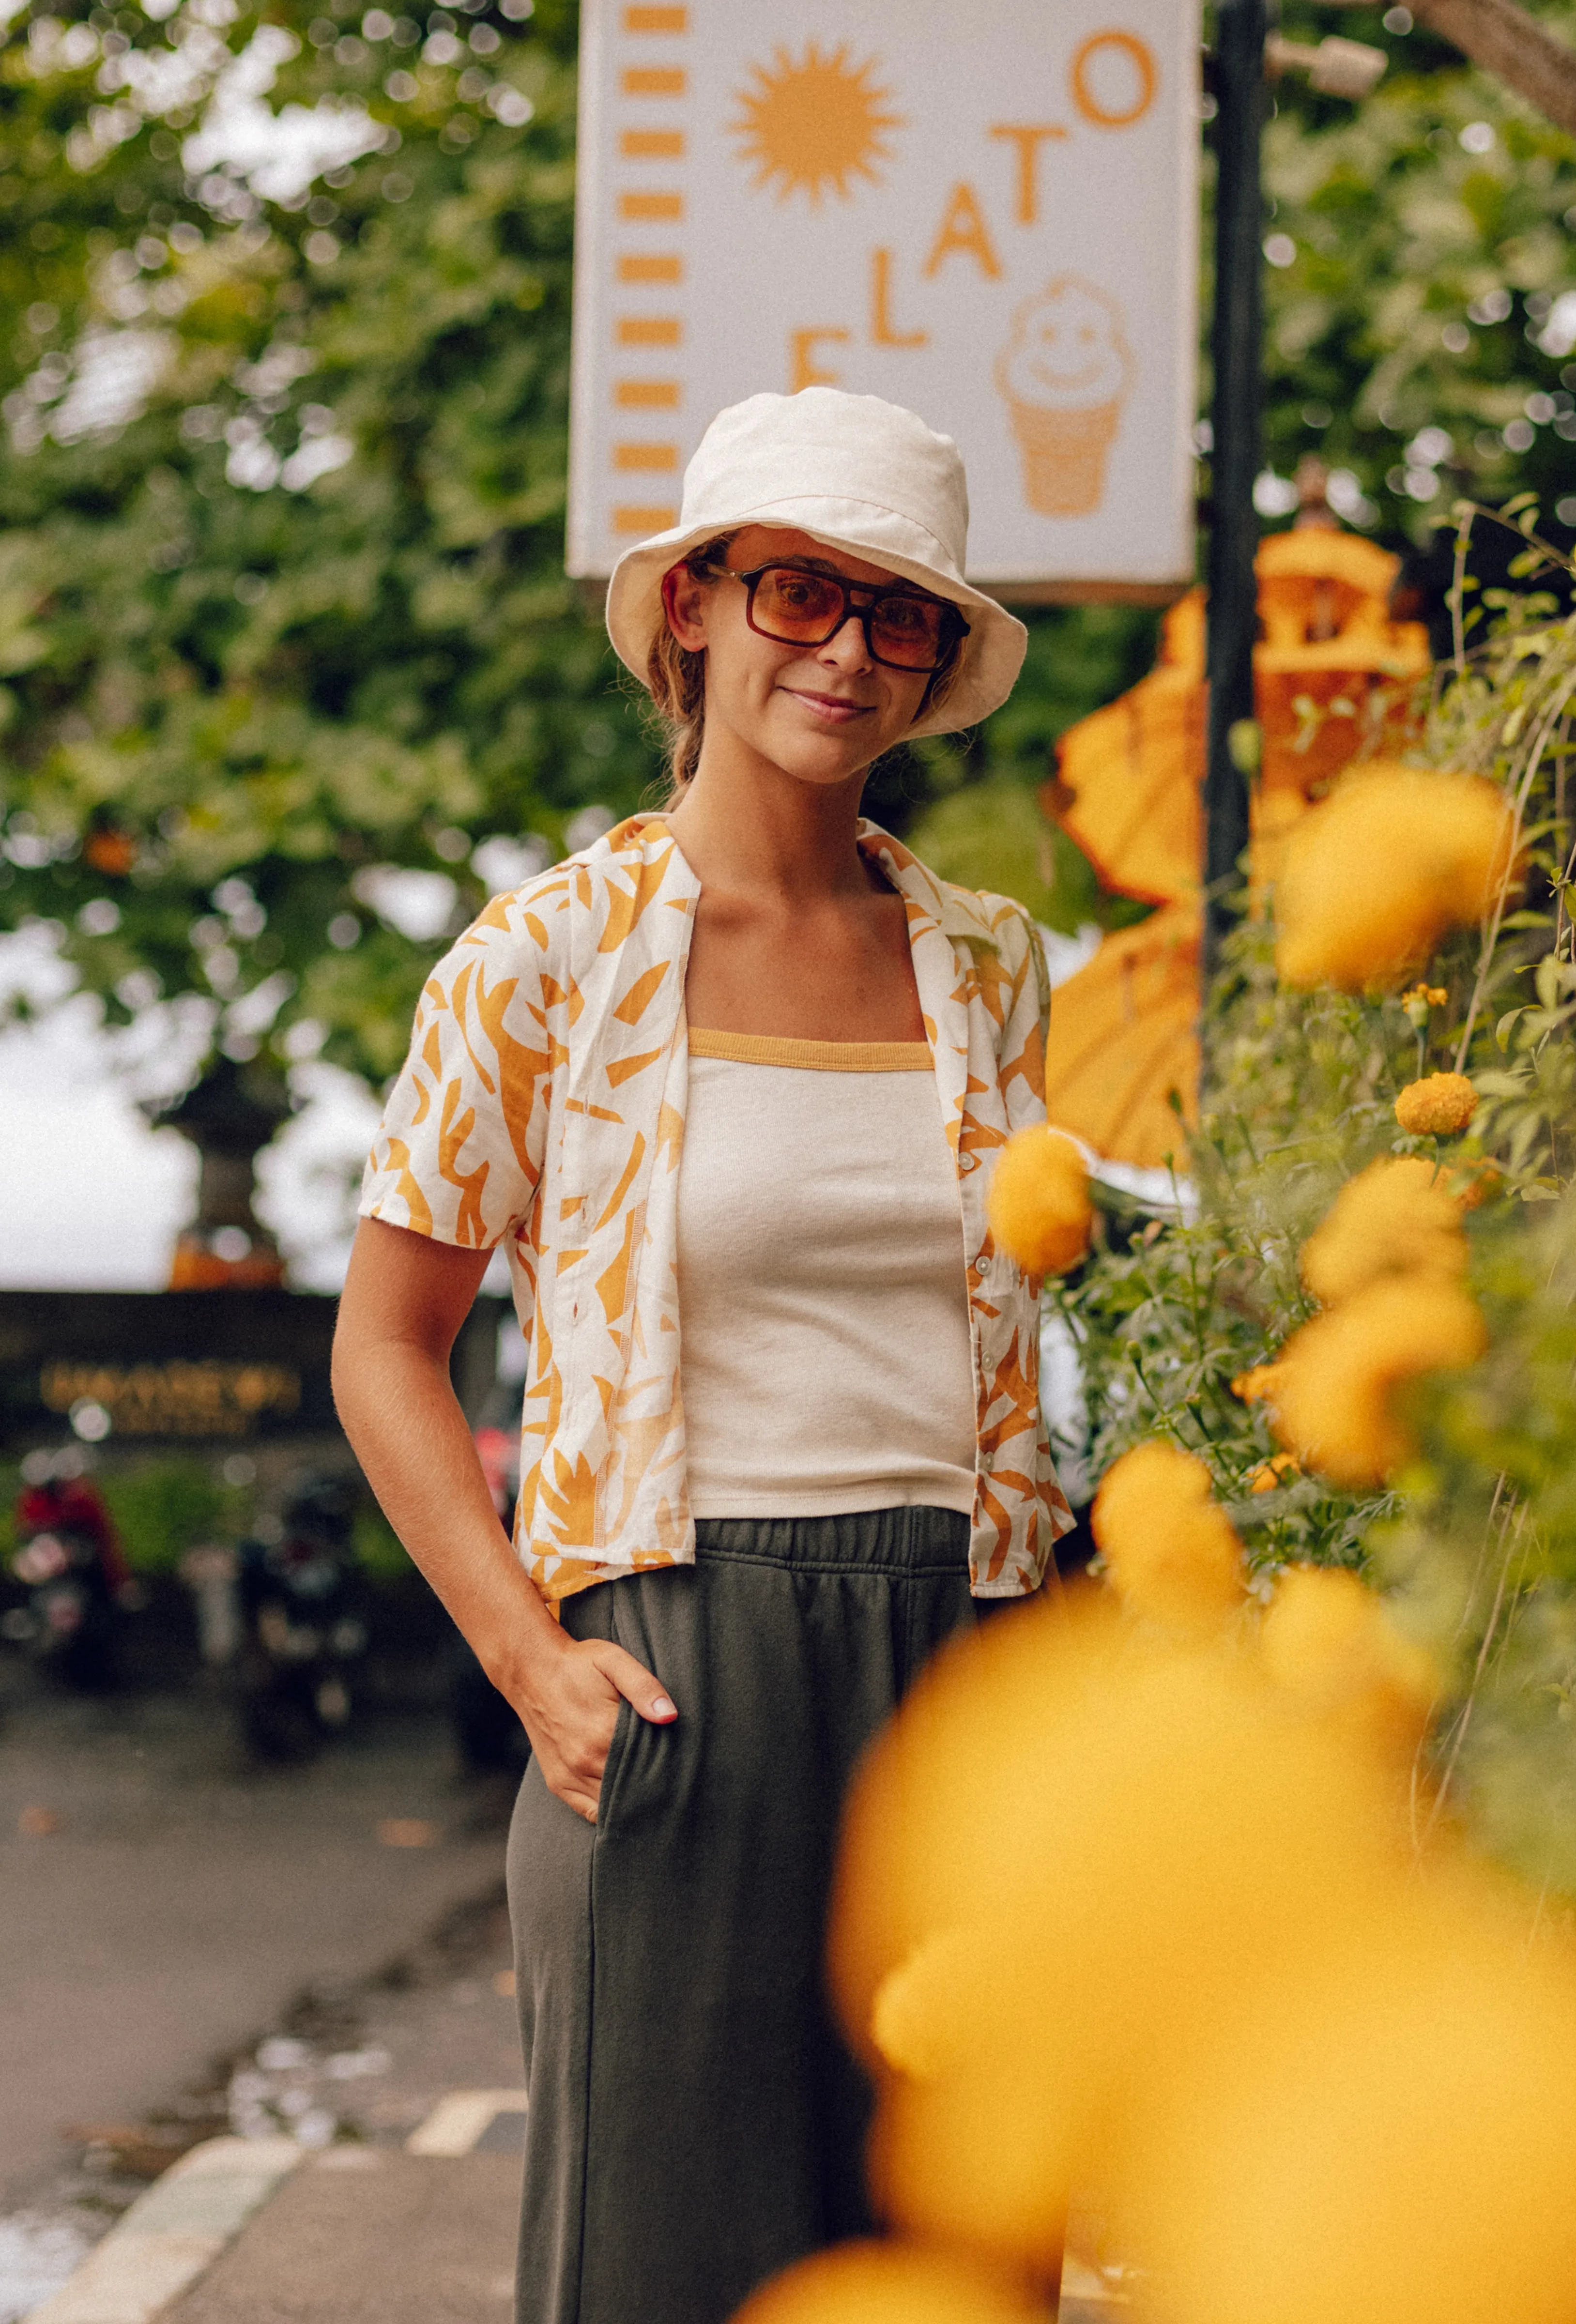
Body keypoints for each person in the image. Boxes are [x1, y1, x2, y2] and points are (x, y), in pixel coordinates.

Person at [332, 386, 1073, 2324]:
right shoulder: (546, 959)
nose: (844, 651)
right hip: (681, 1657)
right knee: (658, 2272)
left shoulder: (988, 965)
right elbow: (386, 1346)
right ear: (694, 608)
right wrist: (528, 1656)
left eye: (896, 614)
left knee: (964, 2251)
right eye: (798, 595)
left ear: (933, 663)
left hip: (970, 1652)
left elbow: (1020, 1329)